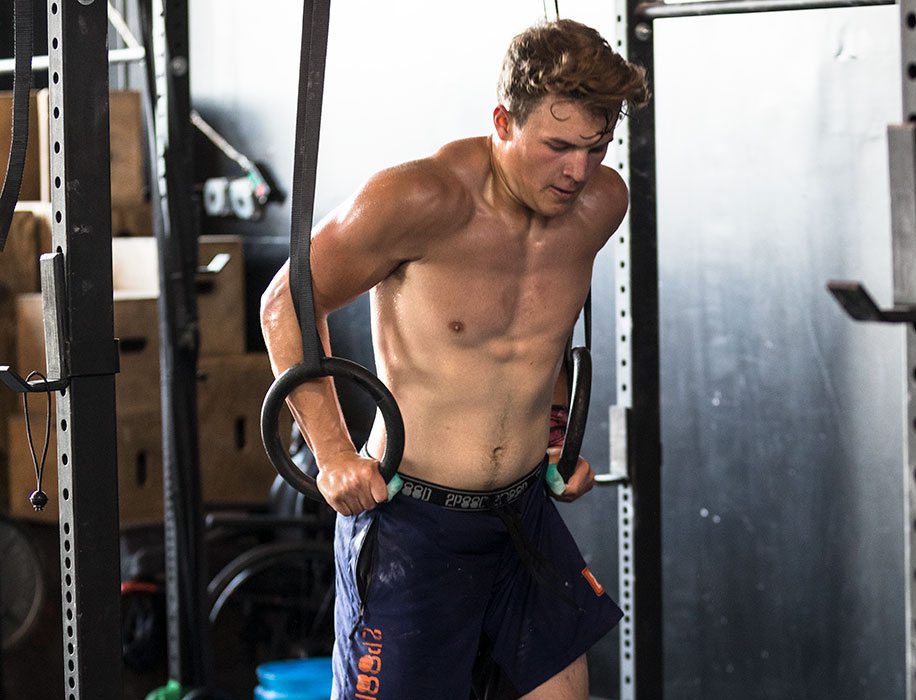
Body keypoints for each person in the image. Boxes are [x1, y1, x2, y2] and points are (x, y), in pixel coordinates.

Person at [260, 18, 649, 700]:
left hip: (523, 516)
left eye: (596, 146)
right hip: (416, 526)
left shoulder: (599, 204)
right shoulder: (420, 199)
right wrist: (334, 456)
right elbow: (284, 305)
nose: (578, 171)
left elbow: (536, 337)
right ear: (503, 121)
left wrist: (556, 436)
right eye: (558, 146)